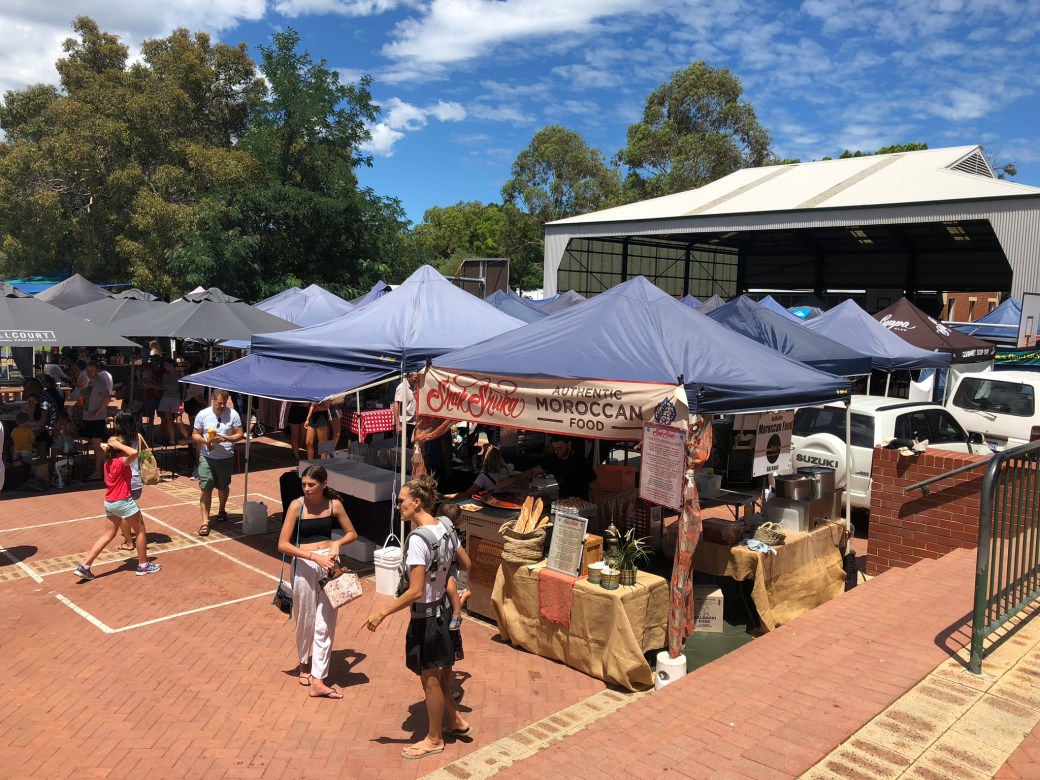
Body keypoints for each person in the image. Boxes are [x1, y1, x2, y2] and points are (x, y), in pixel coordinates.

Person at [365, 474, 471, 760]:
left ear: (417, 502)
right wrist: (446, 582)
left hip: (426, 618)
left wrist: (382, 613)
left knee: (431, 680)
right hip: (444, 610)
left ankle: (435, 738)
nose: (398, 506)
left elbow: (414, 591)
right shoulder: (445, 527)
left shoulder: (417, 541)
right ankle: (457, 720)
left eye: (401, 502)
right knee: (438, 673)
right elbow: (464, 563)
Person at [277, 464, 357, 699]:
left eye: (311, 485)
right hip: (304, 564)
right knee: (305, 618)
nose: (307, 489)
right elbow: (283, 544)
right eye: (304, 485)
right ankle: (304, 663)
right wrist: (312, 557)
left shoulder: (334, 505)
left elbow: (352, 532)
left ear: (324, 484)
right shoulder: (296, 506)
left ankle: (318, 678)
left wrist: (337, 544)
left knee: (326, 623)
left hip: (330, 565)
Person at [73, 433, 161, 581]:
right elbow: (134, 453)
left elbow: (108, 482)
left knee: (108, 534)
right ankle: (143, 565)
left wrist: (113, 445)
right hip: (123, 501)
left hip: (110, 502)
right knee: (140, 530)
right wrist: (116, 444)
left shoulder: (107, 463)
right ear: (119, 449)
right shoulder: (121, 461)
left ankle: (85, 566)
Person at [192, 389, 244, 536]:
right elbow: (195, 434)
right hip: (207, 455)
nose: (221, 406)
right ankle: (204, 522)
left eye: (223, 403)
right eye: (218, 403)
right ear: (212, 400)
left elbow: (240, 433)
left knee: (223, 486)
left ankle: (222, 508)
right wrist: (202, 440)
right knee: (206, 486)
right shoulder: (203, 414)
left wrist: (228, 438)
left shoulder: (233, 414)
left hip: (226, 456)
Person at [506, 434, 598, 500]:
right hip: (562, 503)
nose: (557, 451)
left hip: (581, 505)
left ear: (569, 444)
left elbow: (595, 487)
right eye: (554, 448)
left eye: (560, 448)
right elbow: (532, 472)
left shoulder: (581, 462)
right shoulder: (553, 459)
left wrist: (596, 514)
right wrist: (513, 479)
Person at [108, 412, 144, 551]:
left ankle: (129, 542)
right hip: (136, 478)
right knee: (129, 509)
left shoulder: (115, 441)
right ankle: (132, 537)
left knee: (123, 513)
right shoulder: (138, 437)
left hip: (123, 479)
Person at [83, 361, 113, 480]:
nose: (89, 372)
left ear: (97, 371)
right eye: (87, 370)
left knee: (97, 446)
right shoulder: (90, 383)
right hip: (89, 418)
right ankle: (100, 470)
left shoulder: (100, 383)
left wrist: (98, 412)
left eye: (91, 370)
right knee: (95, 445)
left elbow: (107, 398)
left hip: (96, 419)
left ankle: (98, 472)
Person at [448, 444, 514, 498]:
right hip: (506, 500)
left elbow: (466, 494)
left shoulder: (483, 477)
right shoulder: (506, 469)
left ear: (485, 459)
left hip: (492, 502)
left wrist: (444, 496)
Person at [158, 358, 189, 445]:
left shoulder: (180, 373)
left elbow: (184, 388)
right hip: (166, 398)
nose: (165, 367)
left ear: (171, 364)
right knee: (169, 420)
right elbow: (163, 387)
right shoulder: (165, 375)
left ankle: (187, 438)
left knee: (179, 420)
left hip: (176, 399)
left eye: (166, 364)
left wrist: (182, 399)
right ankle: (172, 439)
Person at [393, 373, 418, 440]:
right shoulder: (402, 387)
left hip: (413, 422)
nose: (417, 379)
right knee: (402, 446)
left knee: (411, 445)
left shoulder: (416, 386)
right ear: (409, 377)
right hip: (404, 422)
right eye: (415, 378)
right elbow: (396, 405)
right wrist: (398, 424)